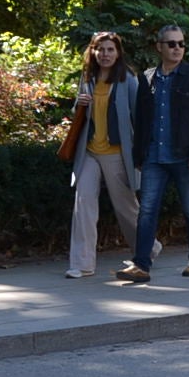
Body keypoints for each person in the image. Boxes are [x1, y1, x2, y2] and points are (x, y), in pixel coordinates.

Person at [123, 24, 189, 284]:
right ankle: (141, 265)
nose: (177, 49)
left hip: (185, 156)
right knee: (147, 211)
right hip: (154, 156)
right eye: (172, 44)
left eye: (181, 44)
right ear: (159, 47)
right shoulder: (148, 78)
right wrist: (139, 156)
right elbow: (140, 120)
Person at [66, 30, 140, 278]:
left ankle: (147, 249)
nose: (105, 54)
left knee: (127, 208)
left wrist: (141, 152)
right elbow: (78, 111)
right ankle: (82, 264)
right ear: (93, 52)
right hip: (89, 153)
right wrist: (79, 103)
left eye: (110, 49)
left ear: (118, 53)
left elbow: (138, 116)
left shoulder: (128, 79)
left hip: (117, 153)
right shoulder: (87, 77)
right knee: (83, 202)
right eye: (101, 49)